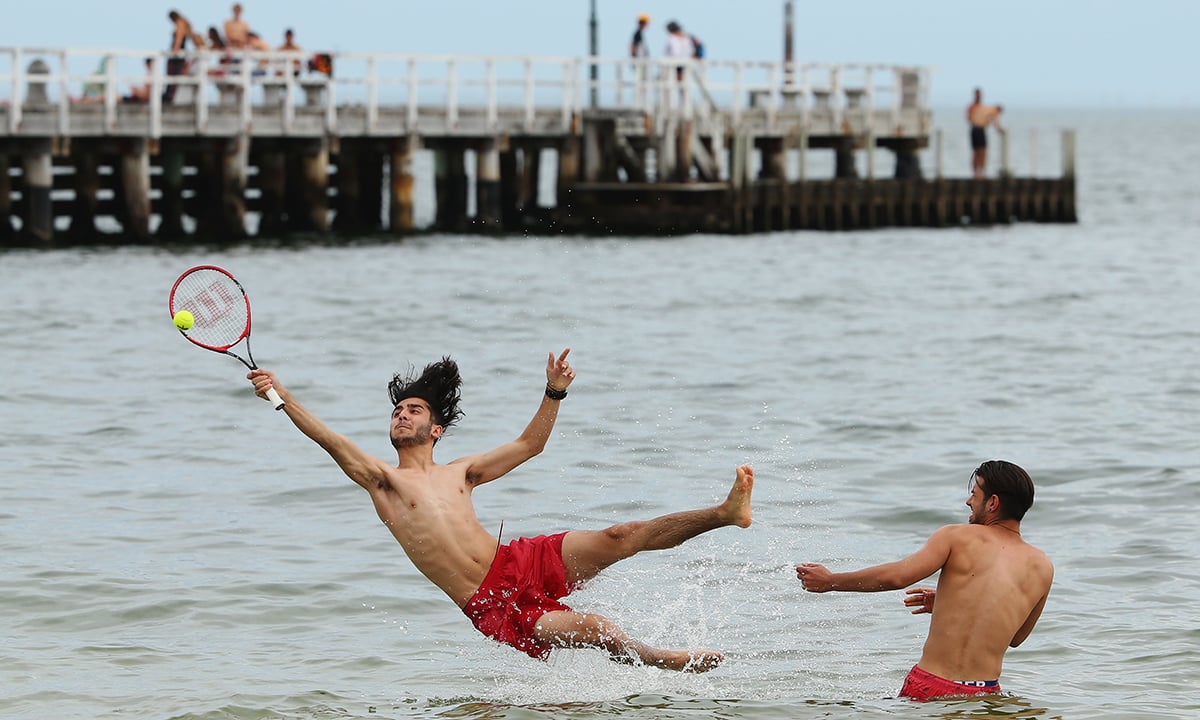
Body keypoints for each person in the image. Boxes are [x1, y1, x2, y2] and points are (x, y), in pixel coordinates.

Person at [246, 350, 753, 672]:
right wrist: (280, 394)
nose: (402, 415)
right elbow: (330, 440)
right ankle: (656, 657)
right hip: (492, 604)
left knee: (623, 534)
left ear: (436, 430)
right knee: (595, 628)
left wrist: (554, 390)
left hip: (518, 560)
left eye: (414, 410)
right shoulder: (384, 482)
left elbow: (531, 444)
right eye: (398, 411)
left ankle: (725, 513)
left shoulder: (462, 472)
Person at [795, 460, 1053, 700]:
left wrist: (831, 581)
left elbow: (898, 577)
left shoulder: (956, 537)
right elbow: (1015, 637)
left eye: (974, 494)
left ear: (993, 502)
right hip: (985, 694)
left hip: (932, 687)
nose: (968, 501)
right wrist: (954, 604)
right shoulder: (1042, 565)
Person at [967, 88, 1004, 179]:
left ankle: (981, 173)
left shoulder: (984, 108)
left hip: (980, 129)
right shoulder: (973, 107)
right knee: (977, 152)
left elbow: (994, 119)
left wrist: (998, 129)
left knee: (982, 152)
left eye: (979, 95)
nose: (979, 97)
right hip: (976, 130)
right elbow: (969, 118)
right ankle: (976, 173)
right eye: (977, 95)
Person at [163, 10, 194, 103]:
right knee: (175, 75)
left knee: (173, 74)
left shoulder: (180, 24)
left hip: (177, 56)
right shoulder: (184, 23)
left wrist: (174, 50)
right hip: (180, 53)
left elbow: (179, 38)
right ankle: (170, 96)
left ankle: (169, 97)